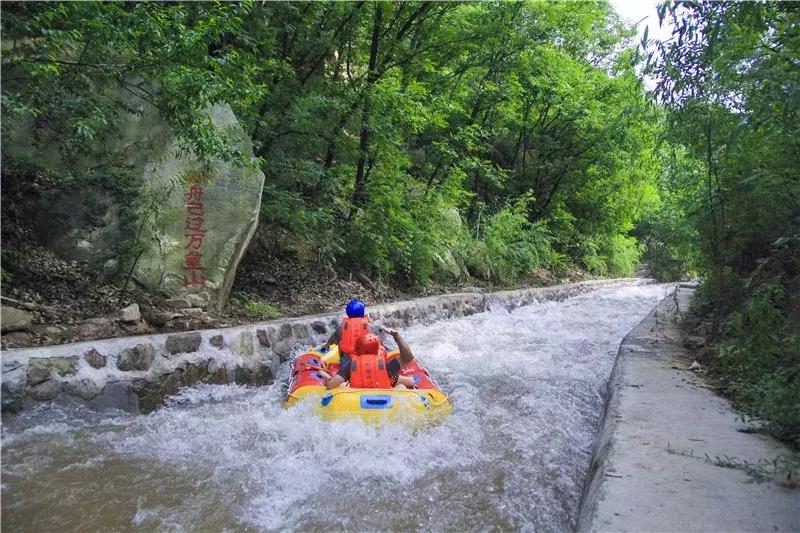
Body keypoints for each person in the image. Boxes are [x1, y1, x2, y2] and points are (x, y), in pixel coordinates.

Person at [322, 299, 416, 389]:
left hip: (348, 367)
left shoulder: (350, 365)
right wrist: (396, 336)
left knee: (343, 384)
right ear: (377, 350)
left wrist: (324, 374)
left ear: (356, 349)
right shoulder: (385, 366)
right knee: (405, 384)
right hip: (384, 389)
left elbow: (330, 385)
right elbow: (408, 357)